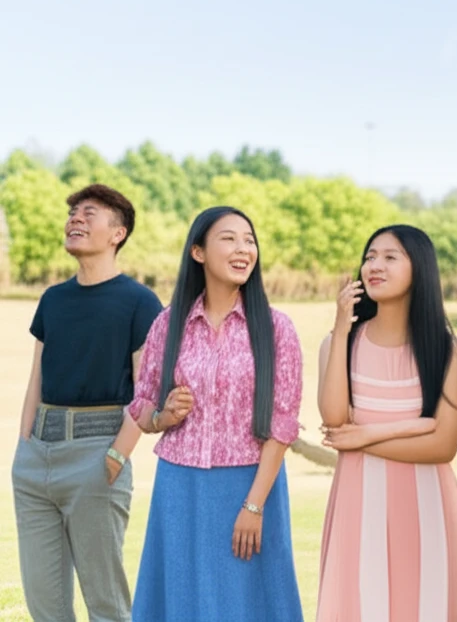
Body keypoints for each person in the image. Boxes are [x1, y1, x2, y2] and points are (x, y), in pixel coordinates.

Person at [128, 206, 303, 621]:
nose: (244, 248)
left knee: (250, 603)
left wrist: (255, 506)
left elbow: (282, 425)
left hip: (250, 484)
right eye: (229, 238)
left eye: (249, 240)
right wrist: (164, 417)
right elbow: (142, 409)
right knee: (183, 602)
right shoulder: (167, 325)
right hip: (179, 487)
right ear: (198, 252)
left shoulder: (277, 328)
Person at [315, 224, 457, 622]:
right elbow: (335, 420)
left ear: (419, 268)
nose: (375, 265)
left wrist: (367, 436)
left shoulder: (445, 351)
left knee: (427, 606)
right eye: (370, 256)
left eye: (391, 257)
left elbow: (442, 447)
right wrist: (342, 327)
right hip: (358, 500)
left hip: (428, 505)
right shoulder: (340, 342)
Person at [12, 184, 162, 622]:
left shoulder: (139, 302)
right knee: (45, 604)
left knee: (106, 603)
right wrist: (24, 446)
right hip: (36, 455)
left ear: (117, 233)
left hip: (99, 454)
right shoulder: (53, 300)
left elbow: (147, 389)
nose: (75, 218)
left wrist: (117, 455)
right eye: (73, 212)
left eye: (88, 213)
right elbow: (36, 377)